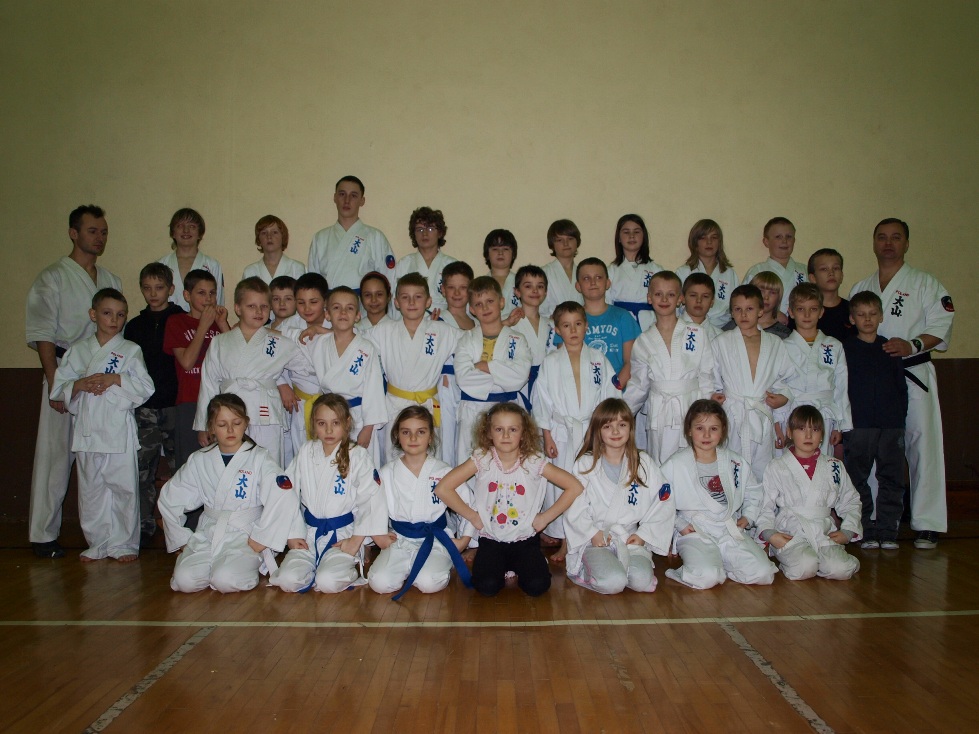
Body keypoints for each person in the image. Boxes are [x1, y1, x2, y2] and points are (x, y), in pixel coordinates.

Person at [849, 218, 954, 549]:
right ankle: (875, 522)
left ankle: (928, 522)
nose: (888, 243)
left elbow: (941, 324)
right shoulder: (862, 286)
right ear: (874, 243)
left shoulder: (925, 283)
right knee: (874, 448)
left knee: (923, 446)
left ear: (906, 243)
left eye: (896, 237)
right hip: (873, 382)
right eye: (882, 237)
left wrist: (913, 344)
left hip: (913, 370)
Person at [26, 204, 122, 558]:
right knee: (55, 455)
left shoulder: (111, 280)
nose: (99, 238)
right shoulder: (52, 277)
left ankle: (106, 535)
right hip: (66, 370)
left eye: (103, 232)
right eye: (92, 231)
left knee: (101, 457)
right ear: (74, 233)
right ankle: (42, 535)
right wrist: (57, 384)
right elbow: (43, 335)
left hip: (103, 376)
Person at [435, 403, 584, 597]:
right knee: (486, 586)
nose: (506, 435)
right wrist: (472, 516)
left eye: (513, 429)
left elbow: (574, 486)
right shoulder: (482, 459)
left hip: (525, 539)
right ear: (488, 432)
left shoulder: (533, 461)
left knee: (538, 586)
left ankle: (528, 562)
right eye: (499, 429)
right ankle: (497, 563)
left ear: (523, 433)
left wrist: (545, 518)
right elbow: (443, 488)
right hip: (491, 539)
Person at [50, 288, 154, 562]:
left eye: (120, 315)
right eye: (107, 313)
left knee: (123, 489)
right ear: (93, 314)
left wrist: (116, 379)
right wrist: (79, 384)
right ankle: (97, 542)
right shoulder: (78, 351)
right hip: (88, 429)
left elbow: (146, 387)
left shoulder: (130, 350)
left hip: (118, 430)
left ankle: (124, 544)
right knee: (91, 491)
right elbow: (58, 388)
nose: (114, 320)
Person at [160, 394, 299, 593]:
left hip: (245, 534)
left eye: (236, 423)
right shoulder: (199, 460)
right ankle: (212, 566)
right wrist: (181, 539)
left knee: (225, 579)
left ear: (246, 423)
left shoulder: (259, 458)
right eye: (222, 424)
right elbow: (170, 498)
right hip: (208, 533)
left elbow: (283, 496)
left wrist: (263, 537)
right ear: (211, 427)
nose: (230, 430)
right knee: (184, 581)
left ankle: (245, 564)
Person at [270, 394, 388, 593]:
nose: (329, 430)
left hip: (344, 535)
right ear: (313, 424)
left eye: (335, 423)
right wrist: (291, 534)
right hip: (309, 534)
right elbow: (286, 493)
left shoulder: (357, 455)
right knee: (287, 580)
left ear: (347, 423)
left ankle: (345, 569)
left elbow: (371, 499)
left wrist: (355, 541)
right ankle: (314, 568)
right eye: (322, 423)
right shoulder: (306, 451)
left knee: (328, 582)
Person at [194, 277, 312, 465]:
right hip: (228, 415)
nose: (259, 312)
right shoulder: (220, 342)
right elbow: (208, 384)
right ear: (238, 308)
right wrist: (203, 424)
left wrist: (281, 382)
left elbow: (307, 369)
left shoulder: (280, 342)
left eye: (264, 306)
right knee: (233, 468)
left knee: (269, 466)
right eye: (251, 306)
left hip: (266, 416)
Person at [532, 301, 619, 560]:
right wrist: (547, 436)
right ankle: (566, 540)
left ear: (586, 326)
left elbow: (610, 396)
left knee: (591, 483)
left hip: (592, 430)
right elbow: (542, 401)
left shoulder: (598, 359)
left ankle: (591, 533)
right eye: (566, 325)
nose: (573, 330)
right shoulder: (551, 362)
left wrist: (605, 431)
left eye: (578, 324)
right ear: (557, 329)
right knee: (563, 485)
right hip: (562, 431)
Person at [661, 400, 777, 589]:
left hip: (728, 528)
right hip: (694, 529)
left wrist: (748, 516)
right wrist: (680, 524)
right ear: (689, 430)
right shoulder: (676, 464)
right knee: (707, 577)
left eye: (713, 429)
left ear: (723, 431)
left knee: (764, 573)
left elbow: (754, 491)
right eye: (700, 428)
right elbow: (660, 500)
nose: (706, 435)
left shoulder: (735, 462)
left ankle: (723, 563)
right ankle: (694, 569)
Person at [564, 398, 674, 593]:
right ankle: (584, 570)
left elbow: (663, 500)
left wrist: (643, 535)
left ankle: (621, 568)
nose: (615, 432)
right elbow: (574, 505)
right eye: (608, 426)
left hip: (629, 537)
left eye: (622, 425)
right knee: (613, 583)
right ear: (598, 430)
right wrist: (592, 533)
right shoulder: (585, 464)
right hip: (596, 539)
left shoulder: (643, 462)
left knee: (641, 582)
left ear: (630, 428)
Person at [368, 406, 473, 599]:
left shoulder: (443, 471)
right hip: (400, 540)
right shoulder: (386, 472)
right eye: (406, 432)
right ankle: (408, 565)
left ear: (431, 437)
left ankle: (434, 563)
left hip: (435, 540)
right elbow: (373, 507)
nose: (413, 438)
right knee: (379, 582)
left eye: (421, 432)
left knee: (429, 582)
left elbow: (468, 503)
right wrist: (378, 535)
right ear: (397, 436)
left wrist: (464, 540)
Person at [757, 406, 862, 581]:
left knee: (841, 570)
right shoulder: (777, 466)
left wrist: (848, 531)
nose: (808, 435)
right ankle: (797, 559)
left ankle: (832, 559)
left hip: (824, 532)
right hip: (791, 532)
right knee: (805, 567)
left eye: (815, 430)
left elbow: (851, 500)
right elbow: (764, 504)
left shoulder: (834, 466)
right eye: (801, 429)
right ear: (789, 432)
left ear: (822, 435)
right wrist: (770, 534)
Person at [366, 273, 459, 464]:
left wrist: (504, 324)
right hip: (395, 405)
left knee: (429, 462)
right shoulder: (383, 331)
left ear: (428, 301)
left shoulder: (442, 331)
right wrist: (322, 330)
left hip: (427, 405)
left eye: (417, 297)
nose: (411, 302)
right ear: (396, 302)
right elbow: (352, 339)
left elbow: (473, 340)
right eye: (405, 297)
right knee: (394, 462)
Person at [623, 271, 715, 464]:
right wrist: (620, 415)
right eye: (658, 294)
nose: (664, 299)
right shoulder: (644, 341)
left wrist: (707, 415)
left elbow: (706, 376)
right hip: (661, 413)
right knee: (662, 466)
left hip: (692, 408)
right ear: (649, 298)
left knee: (694, 463)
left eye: (671, 294)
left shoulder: (696, 333)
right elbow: (638, 385)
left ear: (680, 299)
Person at [123, 263, 185, 545]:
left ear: (171, 289)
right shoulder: (134, 327)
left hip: (175, 404)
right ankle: (143, 524)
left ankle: (179, 524)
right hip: (145, 407)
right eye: (147, 288)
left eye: (159, 287)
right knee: (142, 468)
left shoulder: (181, 319)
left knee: (180, 468)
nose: (153, 293)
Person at [842, 292, 909, 550]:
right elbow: (841, 388)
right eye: (861, 314)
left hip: (891, 425)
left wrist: (900, 419)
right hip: (859, 425)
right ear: (852, 319)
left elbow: (901, 388)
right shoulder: (846, 349)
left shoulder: (890, 349)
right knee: (857, 478)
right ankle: (865, 529)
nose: (867, 319)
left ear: (881, 316)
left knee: (892, 477)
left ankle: (888, 529)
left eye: (872, 314)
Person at [711, 285, 794, 482]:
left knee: (763, 470)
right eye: (738, 309)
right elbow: (711, 376)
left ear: (760, 311)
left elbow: (785, 380)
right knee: (731, 467)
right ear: (731, 312)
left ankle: (761, 503)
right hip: (733, 411)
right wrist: (713, 396)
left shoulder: (775, 343)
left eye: (749, 309)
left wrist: (783, 398)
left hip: (761, 411)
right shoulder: (721, 341)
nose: (743, 314)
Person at [453, 277, 532, 465]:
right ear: (472, 310)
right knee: (470, 466)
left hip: (508, 410)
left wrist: (484, 366)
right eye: (478, 304)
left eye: (490, 301)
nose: (485, 308)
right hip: (473, 410)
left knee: (507, 466)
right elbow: (463, 378)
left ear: (501, 302)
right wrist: (502, 375)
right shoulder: (466, 340)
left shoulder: (517, 339)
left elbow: (520, 377)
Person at [163, 270, 230, 471]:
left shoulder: (218, 324)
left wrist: (222, 324)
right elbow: (187, 362)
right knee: (190, 465)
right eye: (201, 293)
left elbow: (235, 361)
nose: (208, 298)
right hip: (190, 400)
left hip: (218, 400)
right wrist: (203, 326)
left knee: (219, 465)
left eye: (212, 293)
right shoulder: (177, 321)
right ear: (187, 295)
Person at [307, 287, 387, 452]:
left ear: (357, 315)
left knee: (359, 463)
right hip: (328, 418)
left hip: (358, 418)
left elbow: (374, 390)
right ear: (327, 314)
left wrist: (368, 427)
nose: (343, 312)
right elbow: (290, 339)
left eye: (349, 308)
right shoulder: (319, 343)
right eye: (336, 307)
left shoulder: (366, 348)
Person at [779, 283, 852, 455]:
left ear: (821, 312)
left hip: (824, 414)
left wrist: (840, 424)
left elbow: (841, 387)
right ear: (790, 312)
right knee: (791, 462)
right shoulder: (782, 346)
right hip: (793, 413)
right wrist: (778, 421)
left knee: (822, 461)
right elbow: (777, 385)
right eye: (800, 309)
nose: (807, 315)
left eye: (813, 309)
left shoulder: (833, 345)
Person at [307, 175, 395, 292]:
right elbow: (313, 283)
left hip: (363, 302)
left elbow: (389, 279)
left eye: (353, 195)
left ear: (362, 201)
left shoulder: (375, 237)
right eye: (342, 194)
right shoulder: (320, 238)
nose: (347, 200)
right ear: (335, 197)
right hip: (330, 301)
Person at [570, 258, 640, 387]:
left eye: (598, 277)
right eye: (586, 278)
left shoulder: (623, 316)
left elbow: (631, 362)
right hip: (581, 389)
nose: (593, 282)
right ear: (578, 286)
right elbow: (564, 362)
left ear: (607, 283)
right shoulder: (570, 319)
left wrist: (615, 390)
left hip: (617, 390)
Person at [435, 261, 476, 465]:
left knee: (467, 437)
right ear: (443, 289)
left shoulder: (476, 322)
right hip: (446, 383)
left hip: (470, 384)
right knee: (446, 436)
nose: (457, 293)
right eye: (451, 287)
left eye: (463, 287)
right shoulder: (437, 319)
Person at [158, 208, 224, 313]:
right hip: (168, 320)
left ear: (200, 233)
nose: (186, 230)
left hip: (203, 320)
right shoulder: (162, 264)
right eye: (180, 226)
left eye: (192, 226)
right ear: (173, 233)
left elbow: (218, 300)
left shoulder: (212, 265)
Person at [509, 264, 557, 411]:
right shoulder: (508, 322)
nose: (535, 291)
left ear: (546, 292)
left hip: (547, 382)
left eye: (540, 286)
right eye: (528, 286)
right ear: (517, 292)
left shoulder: (552, 324)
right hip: (519, 383)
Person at [394, 207, 457, 315]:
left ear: (440, 233)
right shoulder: (404, 264)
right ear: (414, 234)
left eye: (431, 229)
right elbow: (396, 299)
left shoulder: (452, 265)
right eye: (420, 229)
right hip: (410, 318)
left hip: (444, 319)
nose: (425, 234)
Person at [676, 219, 737, 329]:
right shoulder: (684, 272)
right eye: (703, 238)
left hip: (723, 327)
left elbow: (736, 304)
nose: (709, 242)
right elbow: (675, 306)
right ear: (695, 242)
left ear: (719, 242)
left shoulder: (729, 273)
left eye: (714, 237)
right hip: (689, 326)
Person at [606, 214, 662, 331]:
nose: (631, 236)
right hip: (620, 322)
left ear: (643, 236)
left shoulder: (656, 270)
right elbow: (606, 302)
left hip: (651, 323)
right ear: (619, 238)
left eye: (636, 232)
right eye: (626, 232)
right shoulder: (611, 271)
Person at [743, 217, 807, 315]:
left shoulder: (805, 270)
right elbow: (744, 303)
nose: (784, 241)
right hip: (766, 322)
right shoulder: (757, 271)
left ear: (794, 240)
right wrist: (774, 315)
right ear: (766, 242)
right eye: (778, 237)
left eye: (789, 236)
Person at [242, 214, 305, 283]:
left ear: (283, 236)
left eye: (274, 232)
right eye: (264, 233)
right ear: (258, 239)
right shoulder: (250, 272)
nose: (269, 236)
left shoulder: (296, 268)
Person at [539, 219, 584, 317]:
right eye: (559, 240)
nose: (566, 243)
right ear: (552, 244)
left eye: (570, 238)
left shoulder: (584, 273)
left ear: (577, 241)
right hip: (551, 324)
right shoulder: (543, 273)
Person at [807, 248, 852, 342]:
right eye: (824, 269)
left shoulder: (853, 310)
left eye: (836, 268)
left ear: (841, 276)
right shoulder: (804, 312)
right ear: (813, 278)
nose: (831, 273)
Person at [732, 271, 791, 338]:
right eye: (761, 291)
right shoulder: (733, 326)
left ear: (779, 297)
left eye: (772, 292)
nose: (766, 297)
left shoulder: (783, 333)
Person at [484, 229, 521, 318]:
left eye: (505, 249)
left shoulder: (522, 282)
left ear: (513, 254)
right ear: (487, 254)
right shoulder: (479, 284)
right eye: (495, 249)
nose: (500, 253)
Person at [680, 273, 721, 340]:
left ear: (712, 301)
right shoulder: (669, 330)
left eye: (705, 296)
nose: (699, 300)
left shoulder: (720, 337)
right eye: (693, 295)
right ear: (683, 298)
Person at [358, 271, 393, 336]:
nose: (373, 300)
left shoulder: (397, 329)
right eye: (368, 295)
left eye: (379, 294)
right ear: (361, 299)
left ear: (389, 297)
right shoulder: (354, 330)